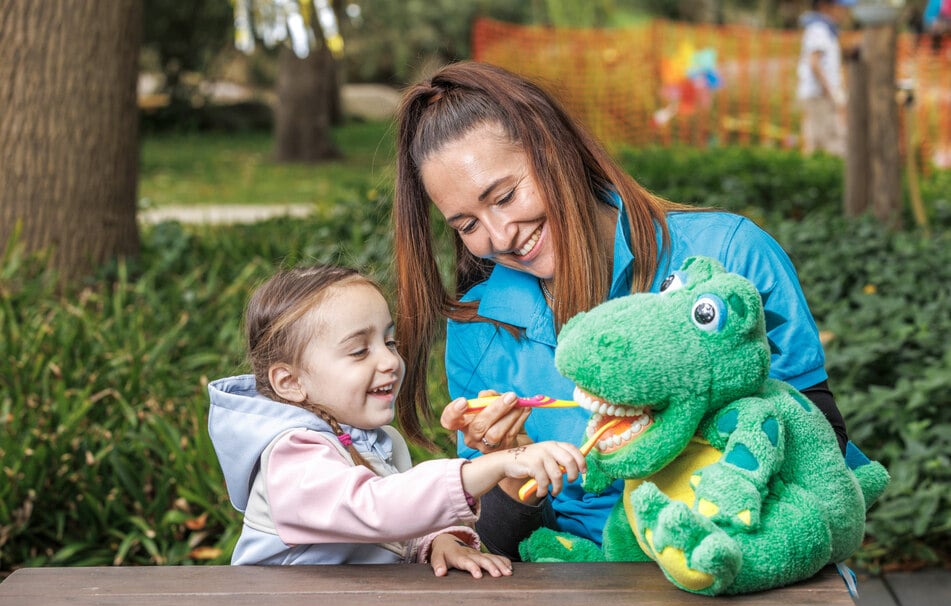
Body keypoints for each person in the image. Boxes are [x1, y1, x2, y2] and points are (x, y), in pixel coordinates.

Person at [391, 61, 851, 560]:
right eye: (466, 225)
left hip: (742, 559)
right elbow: (493, 547)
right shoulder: (477, 328)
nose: (500, 237)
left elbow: (824, 445)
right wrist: (510, 468)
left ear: (554, 148)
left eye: (505, 196)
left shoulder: (729, 253)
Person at [207, 264, 586, 576]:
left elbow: (394, 527)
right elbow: (372, 509)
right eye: (359, 351)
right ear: (290, 382)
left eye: (389, 343)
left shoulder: (376, 440)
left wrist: (437, 541)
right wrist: (495, 464)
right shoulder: (291, 457)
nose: (390, 361)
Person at [796, 0, 853, 157]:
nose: (844, 12)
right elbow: (814, 62)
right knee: (825, 140)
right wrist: (831, 93)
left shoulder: (828, 30)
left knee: (824, 139)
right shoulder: (819, 29)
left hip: (823, 94)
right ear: (825, 6)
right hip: (819, 95)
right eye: (841, 8)